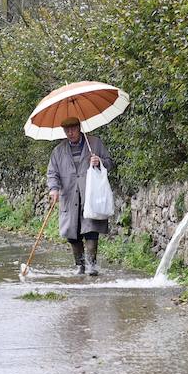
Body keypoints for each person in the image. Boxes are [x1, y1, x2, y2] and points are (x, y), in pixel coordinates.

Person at [46, 117, 114, 275]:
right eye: (67, 130)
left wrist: (100, 162)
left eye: (73, 129)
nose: (70, 133)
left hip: (90, 194)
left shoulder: (94, 143)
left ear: (79, 127)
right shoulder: (58, 151)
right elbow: (52, 173)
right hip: (69, 196)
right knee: (72, 233)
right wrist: (54, 189)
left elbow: (110, 163)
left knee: (91, 229)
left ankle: (92, 265)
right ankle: (80, 265)